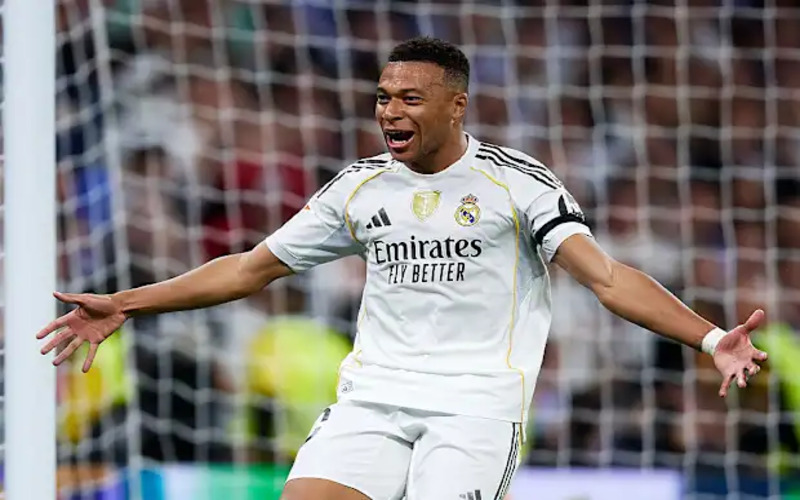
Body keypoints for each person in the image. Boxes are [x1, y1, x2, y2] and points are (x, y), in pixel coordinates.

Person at [37, 37, 768, 500]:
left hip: (475, 409)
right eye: (384, 97)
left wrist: (710, 338)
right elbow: (249, 269)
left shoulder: (517, 183)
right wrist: (127, 302)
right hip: (374, 400)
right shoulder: (359, 188)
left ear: (457, 106)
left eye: (411, 99)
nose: (390, 112)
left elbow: (606, 278)